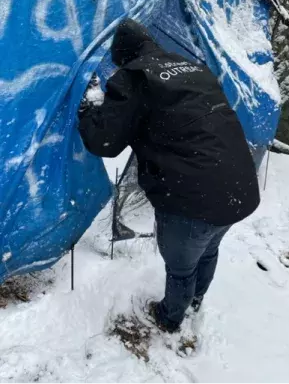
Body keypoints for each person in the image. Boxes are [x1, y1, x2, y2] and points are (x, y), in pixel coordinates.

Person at [78, 19, 260, 333]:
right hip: (240, 187)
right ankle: (196, 300)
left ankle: (170, 318)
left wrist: (89, 107)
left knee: (181, 269)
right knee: (209, 248)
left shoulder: (134, 77)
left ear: (123, 54)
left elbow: (104, 142)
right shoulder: (192, 67)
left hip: (194, 199)